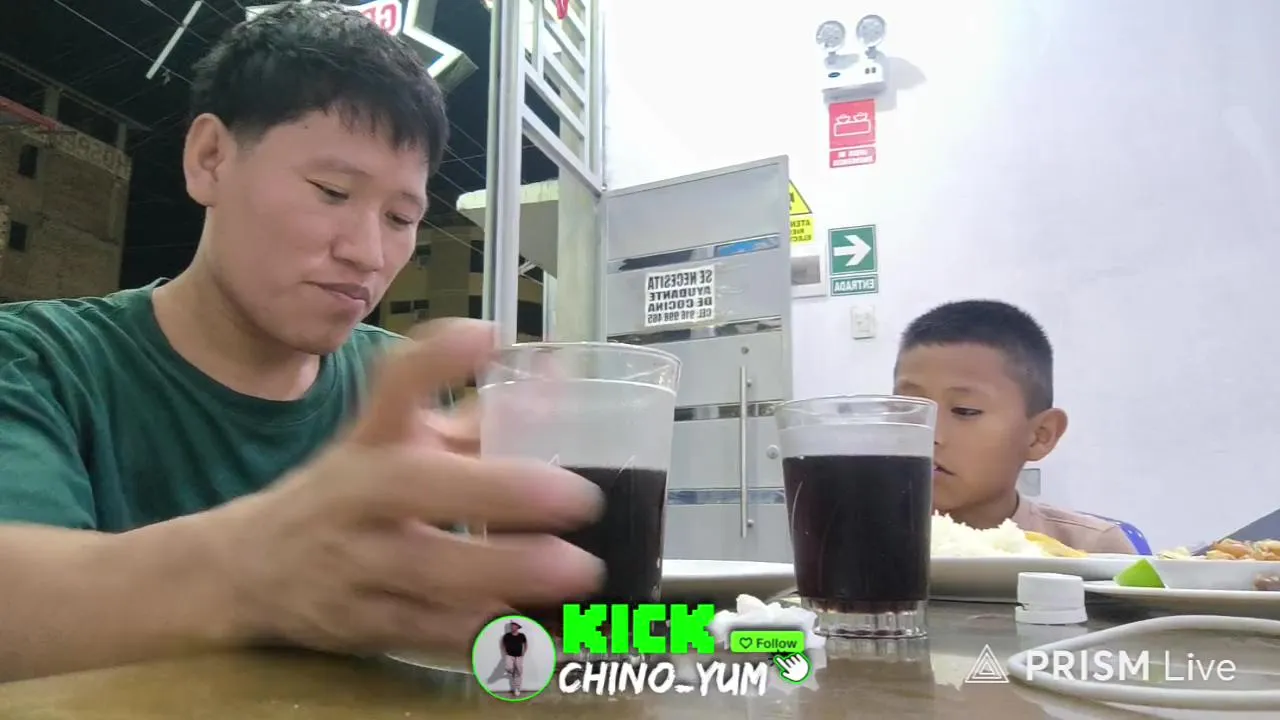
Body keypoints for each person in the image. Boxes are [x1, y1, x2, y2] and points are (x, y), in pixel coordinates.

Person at [0, 3, 602, 682]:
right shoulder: (36, 362)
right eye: (332, 191)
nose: (367, 252)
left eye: (401, 216)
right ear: (210, 159)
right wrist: (253, 571)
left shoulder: (395, 382)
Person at [892, 300, 1136, 554]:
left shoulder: (1089, 550)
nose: (928, 434)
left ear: (1040, 435)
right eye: (909, 408)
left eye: (965, 411)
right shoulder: (866, 538)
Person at [500, 621, 528, 696]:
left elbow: (526, 644)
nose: (513, 627)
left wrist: (524, 653)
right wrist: (505, 652)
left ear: (518, 627)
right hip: (509, 656)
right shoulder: (507, 635)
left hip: (519, 656)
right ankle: (512, 673)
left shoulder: (522, 635)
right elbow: (503, 644)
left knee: (519, 673)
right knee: (508, 667)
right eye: (512, 625)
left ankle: (517, 689)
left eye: (514, 625)